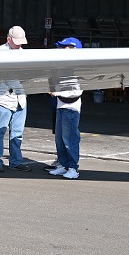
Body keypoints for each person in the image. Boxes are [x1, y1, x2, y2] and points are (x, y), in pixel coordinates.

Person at [0, 25, 30, 173]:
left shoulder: (23, 54)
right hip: (3, 99)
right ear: (9, 39)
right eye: (17, 42)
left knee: (17, 132)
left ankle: (15, 161)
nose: (19, 45)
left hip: (20, 99)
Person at [49, 37, 84, 179]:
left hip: (71, 108)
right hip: (61, 105)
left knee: (70, 139)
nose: (61, 50)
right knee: (60, 139)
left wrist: (57, 93)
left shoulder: (79, 69)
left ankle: (73, 168)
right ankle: (64, 165)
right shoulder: (62, 67)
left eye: (65, 47)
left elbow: (76, 92)